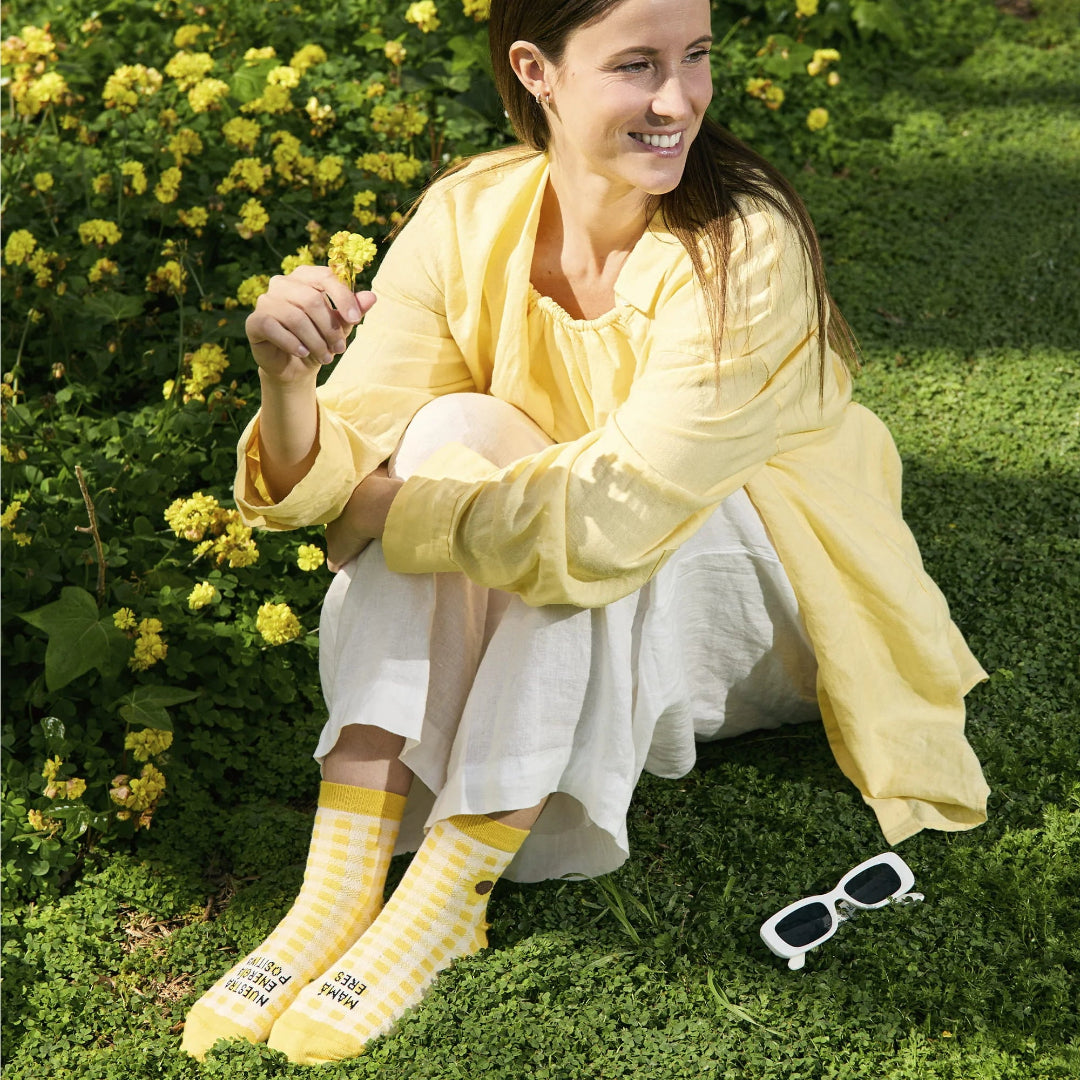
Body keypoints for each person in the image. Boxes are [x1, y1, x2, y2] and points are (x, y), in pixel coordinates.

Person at [181, 0, 990, 1064]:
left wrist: (385, 507)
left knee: (590, 529)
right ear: (538, 71)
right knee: (448, 427)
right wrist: (287, 384)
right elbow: (346, 457)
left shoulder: (747, 243)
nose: (679, 100)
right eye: (639, 64)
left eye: (696, 57)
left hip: (758, 583)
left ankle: (448, 892)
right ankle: (337, 882)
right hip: (562, 539)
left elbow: (615, 517)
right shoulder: (471, 210)